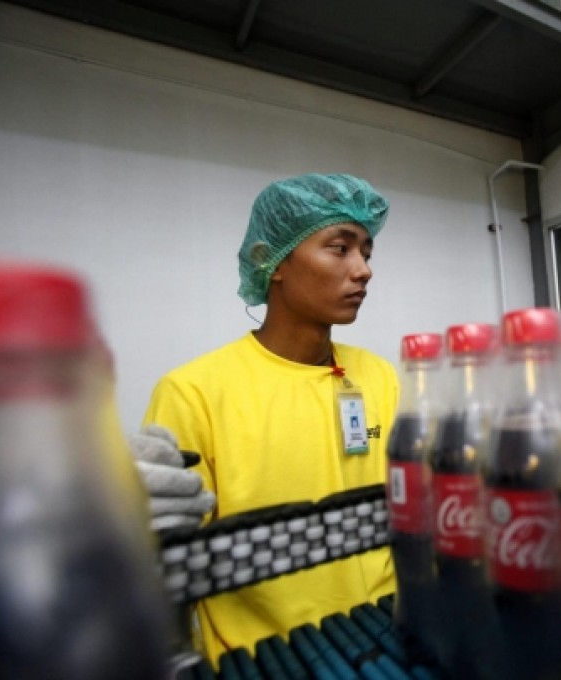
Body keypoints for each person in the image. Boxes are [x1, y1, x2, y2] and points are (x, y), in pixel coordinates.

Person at [139, 173, 399, 663]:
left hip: (386, 644)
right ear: (271, 259)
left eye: (367, 252)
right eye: (339, 248)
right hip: (266, 660)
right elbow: (166, 563)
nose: (363, 270)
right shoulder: (194, 392)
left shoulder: (380, 376)